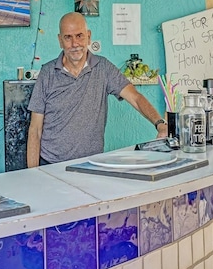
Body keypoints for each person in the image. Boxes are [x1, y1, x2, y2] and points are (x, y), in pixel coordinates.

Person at [27, 12, 168, 166]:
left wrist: (160, 124)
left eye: (79, 35)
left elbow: (135, 97)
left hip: (91, 165)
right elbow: (35, 129)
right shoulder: (47, 73)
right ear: (60, 41)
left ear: (88, 36)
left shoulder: (103, 68)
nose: (75, 44)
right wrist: (33, 175)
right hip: (51, 165)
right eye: (68, 37)